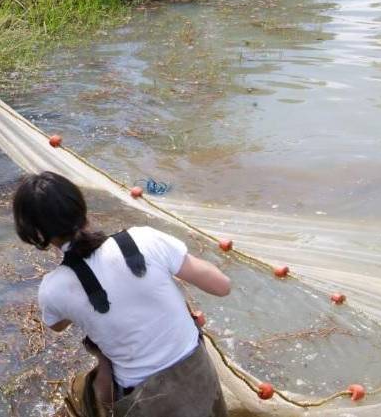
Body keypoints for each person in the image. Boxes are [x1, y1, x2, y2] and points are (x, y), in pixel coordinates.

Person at [12, 171, 231, 417]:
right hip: (199, 378)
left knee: (91, 385)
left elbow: (57, 325)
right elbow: (222, 286)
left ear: (36, 234)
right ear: (80, 205)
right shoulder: (145, 239)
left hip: (145, 400)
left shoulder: (53, 289)